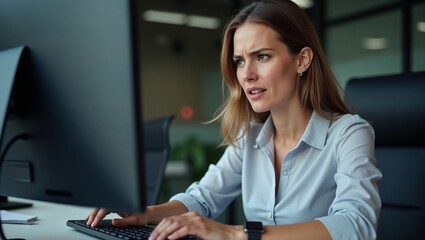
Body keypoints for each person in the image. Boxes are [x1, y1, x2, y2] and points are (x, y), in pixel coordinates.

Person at [87, 0, 382, 239]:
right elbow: (203, 199)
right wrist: (145, 213)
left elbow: (355, 225)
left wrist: (235, 234)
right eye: (240, 60)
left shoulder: (349, 133)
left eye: (262, 56)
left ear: (302, 60)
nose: (246, 73)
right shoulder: (251, 136)